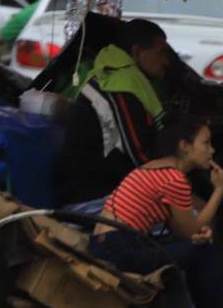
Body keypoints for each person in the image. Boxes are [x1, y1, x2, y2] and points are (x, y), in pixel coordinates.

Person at [88, 115, 223, 308]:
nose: (211, 150)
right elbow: (190, 231)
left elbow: (181, 230)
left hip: (106, 244)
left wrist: (198, 234)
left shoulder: (155, 168)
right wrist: (218, 191)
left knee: (190, 249)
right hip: (119, 249)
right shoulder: (174, 179)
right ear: (185, 146)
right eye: (205, 143)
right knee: (203, 253)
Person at [55, 19, 173, 206]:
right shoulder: (118, 85)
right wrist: (178, 174)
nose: (166, 62)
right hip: (89, 198)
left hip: (110, 188)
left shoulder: (125, 79)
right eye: (161, 53)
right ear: (137, 52)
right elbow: (141, 157)